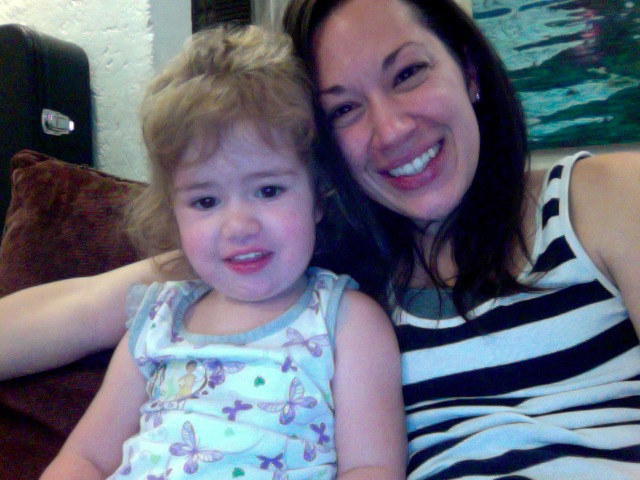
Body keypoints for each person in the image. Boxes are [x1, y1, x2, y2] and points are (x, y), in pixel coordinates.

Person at [2, 0, 639, 478]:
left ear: (469, 69)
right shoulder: (290, 263)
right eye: (344, 108)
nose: (391, 129)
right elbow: (75, 311)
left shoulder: (603, 196)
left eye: (408, 73)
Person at [39, 24, 406, 480]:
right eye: (206, 201)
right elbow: (86, 458)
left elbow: (372, 467)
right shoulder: (157, 319)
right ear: (174, 215)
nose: (239, 226)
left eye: (268, 190)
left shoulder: (347, 320)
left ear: (318, 197)